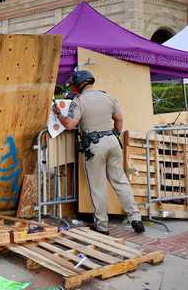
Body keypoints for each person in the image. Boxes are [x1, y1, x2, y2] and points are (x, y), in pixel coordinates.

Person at [52, 70, 145, 235]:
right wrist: (114, 135)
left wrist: (58, 113)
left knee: (98, 187)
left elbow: (69, 124)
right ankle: (135, 218)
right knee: (121, 182)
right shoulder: (108, 97)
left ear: (80, 84)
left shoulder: (79, 101)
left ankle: (101, 226)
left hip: (95, 146)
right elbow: (119, 120)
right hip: (113, 142)